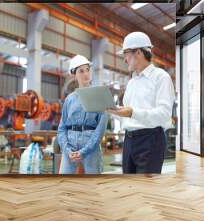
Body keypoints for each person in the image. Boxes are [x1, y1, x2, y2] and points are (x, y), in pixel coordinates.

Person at [106, 32, 175, 174]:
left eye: (126, 54)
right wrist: (112, 111)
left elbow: (164, 114)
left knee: (145, 189)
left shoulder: (161, 77)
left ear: (138, 52)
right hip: (129, 140)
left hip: (151, 140)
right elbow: (127, 116)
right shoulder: (131, 83)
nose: (124, 60)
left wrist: (132, 112)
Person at [57, 55, 108, 174]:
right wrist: (67, 149)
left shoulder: (99, 96)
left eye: (87, 70)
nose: (86, 74)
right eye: (81, 71)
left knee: (93, 184)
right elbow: (62, 128)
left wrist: (85, 150)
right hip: (70, 145)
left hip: (91, 144)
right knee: (65, 183)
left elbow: (101, 128)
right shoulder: (69, 99)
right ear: (75, 75)